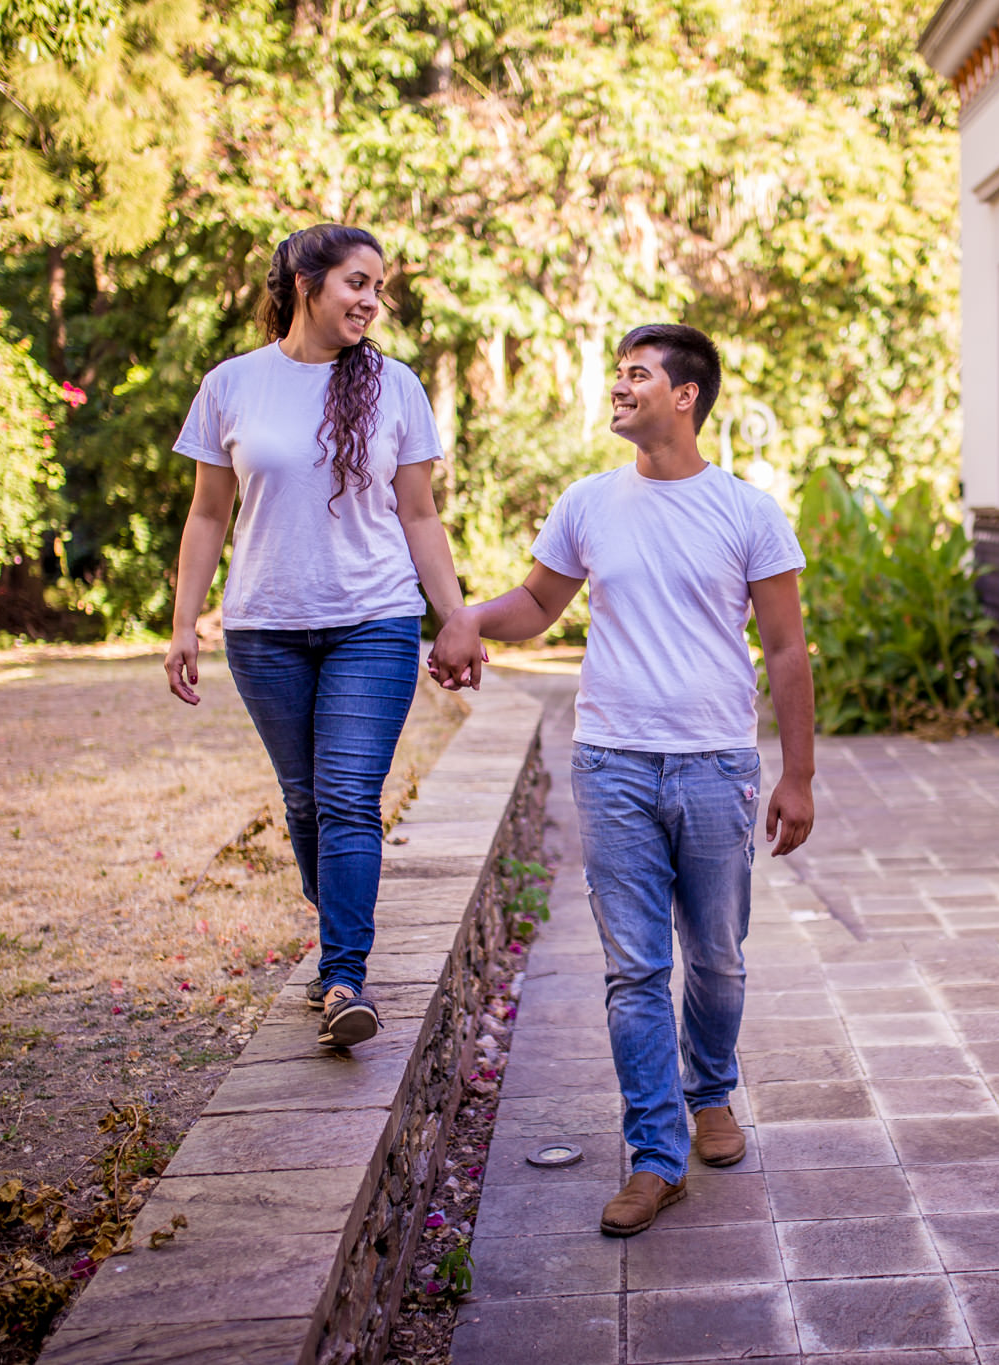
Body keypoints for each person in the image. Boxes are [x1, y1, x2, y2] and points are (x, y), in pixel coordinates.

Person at [428, 323, 815, 1237]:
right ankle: (654, 1152)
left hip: (717, 762)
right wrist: (466, 619)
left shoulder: (748, 511)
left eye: (637, 374)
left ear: (685, 396)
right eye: (618, 372)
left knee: (716, 955)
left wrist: (797, 776)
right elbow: (536, 603)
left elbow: (790, 650)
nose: (618, 385)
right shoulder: (589, 502)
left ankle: (710, 1089)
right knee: (635, 966)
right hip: (612, 763)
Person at [162, 223, 468, 1050]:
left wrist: (457, 616)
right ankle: (337, 920)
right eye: (357, 283)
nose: (372, 300)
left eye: (378, 287)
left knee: (346, 796)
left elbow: (419, 514)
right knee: (307, 802)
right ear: (306, 282)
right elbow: (207, 514)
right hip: (264, 629)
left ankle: (343, 978)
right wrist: (185, 621)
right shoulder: (232, 384)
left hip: (374, 619)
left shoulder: (396, 386)